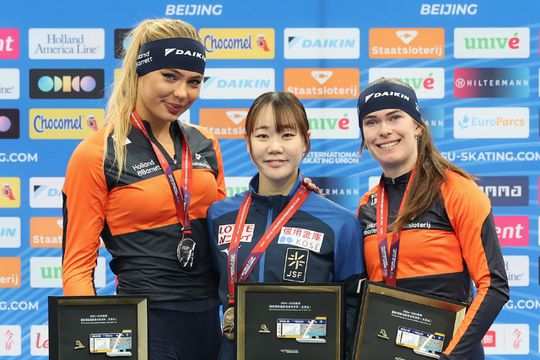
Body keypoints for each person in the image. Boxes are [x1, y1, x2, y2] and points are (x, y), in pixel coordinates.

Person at [62, 18, 226, 360]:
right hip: (142, 323)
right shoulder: (96, 153)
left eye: (194, 81)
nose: (182, 93)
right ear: (138, 71)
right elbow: (78, 266)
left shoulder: (205, 143)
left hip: (209, 319)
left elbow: (224, 231)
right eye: (169, 76)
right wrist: (89, 340)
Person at [356, 78, 509, 359]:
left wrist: (451, 356)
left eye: (394, 117)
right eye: (371, 122)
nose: (384, 130)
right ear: (364, 135)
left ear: (417, 126)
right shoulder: (367, 204)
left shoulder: (457, 190)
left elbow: (494, 286)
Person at [207, 91, 365, 360]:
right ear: (248, 143)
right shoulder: (219, 215)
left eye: (287, 135)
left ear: (306, 141)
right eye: (262, 135)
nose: (274, 147)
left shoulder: (340, 223)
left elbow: (353, 307)